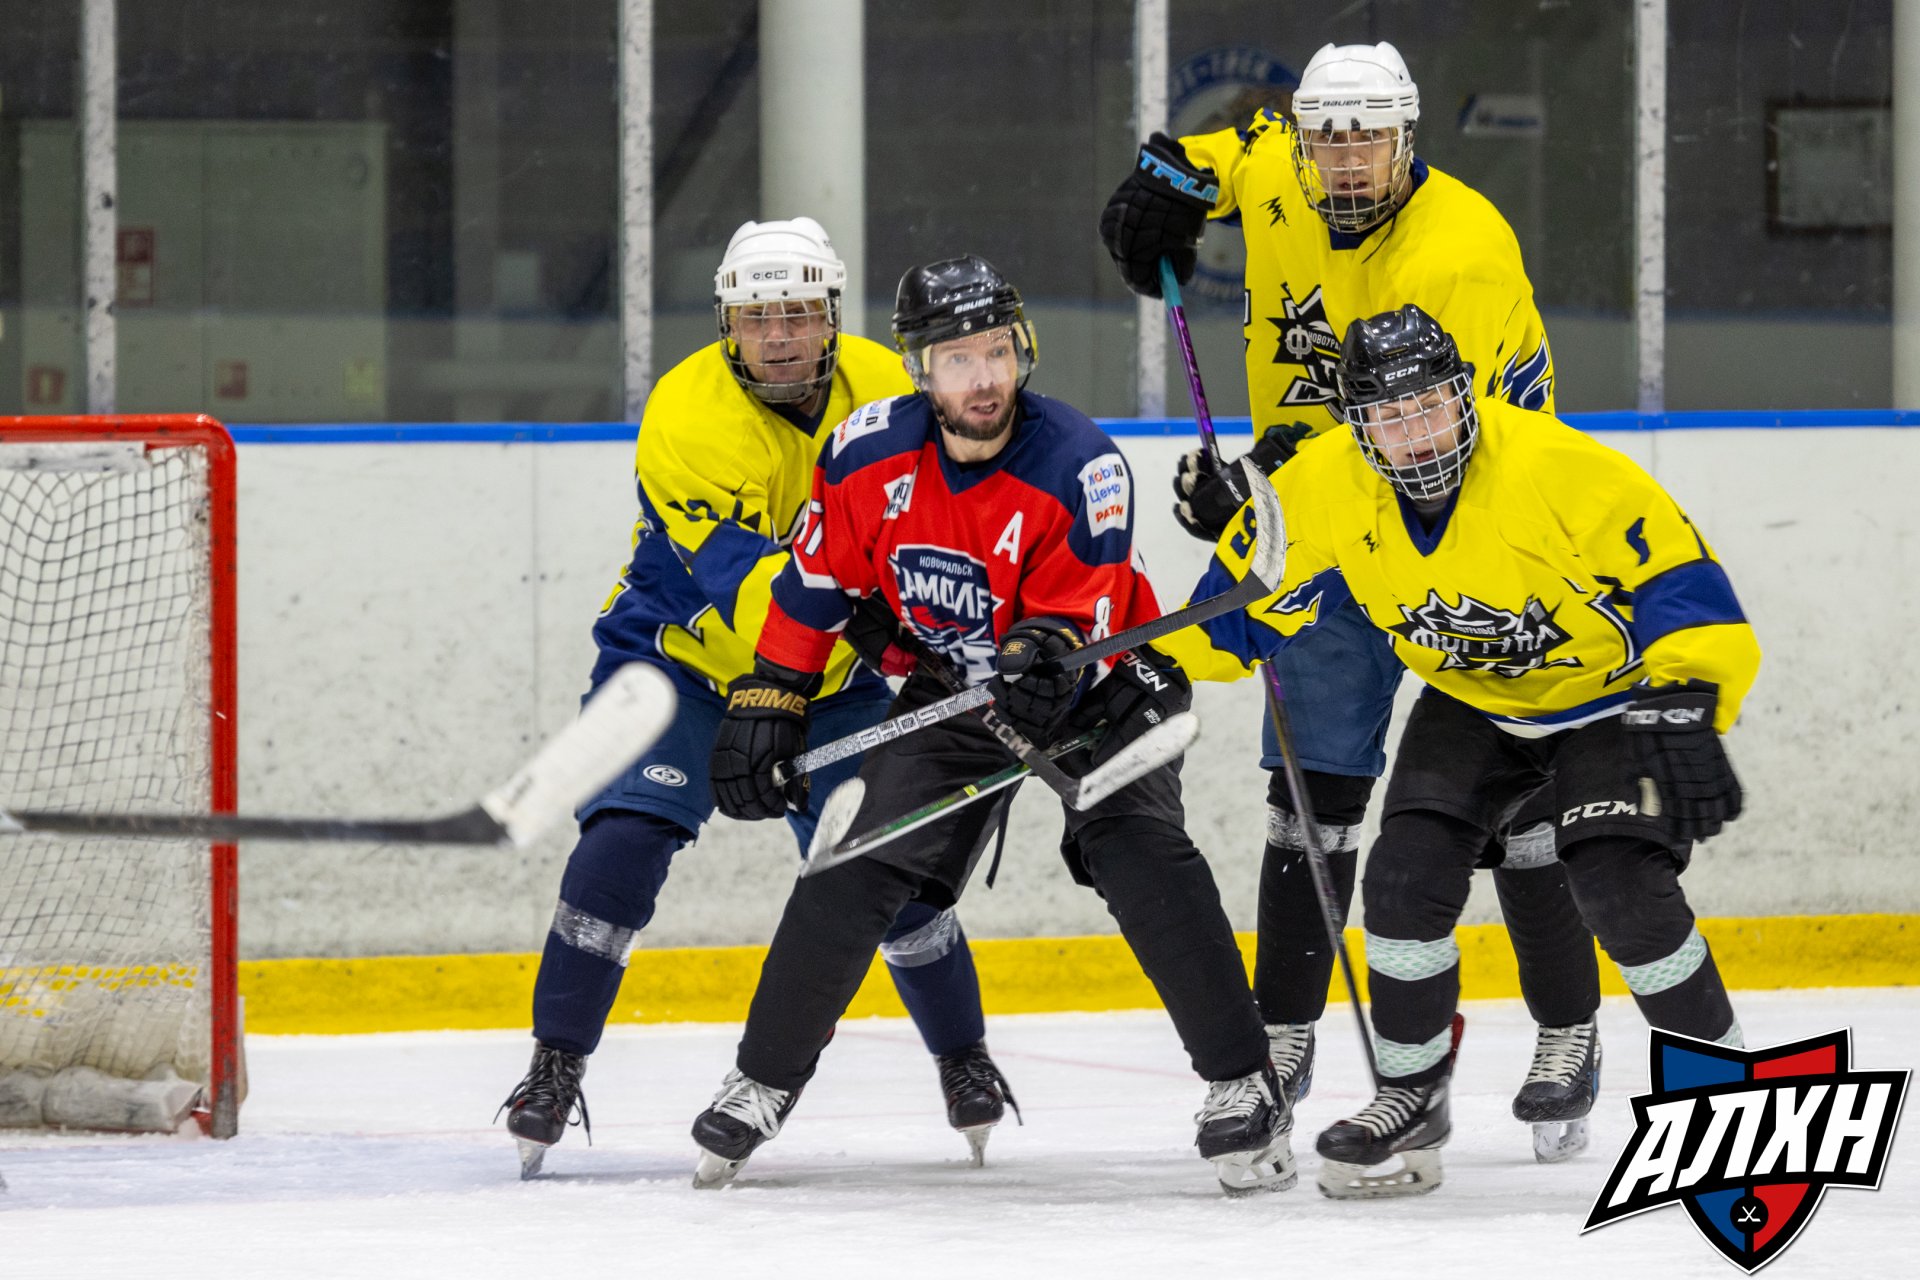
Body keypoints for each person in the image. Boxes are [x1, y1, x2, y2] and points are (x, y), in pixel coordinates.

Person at [693, 255, 1291, 1196]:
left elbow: (1077, 613)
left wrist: (1043, 653)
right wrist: (774, 692)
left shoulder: (1081, 463)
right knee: (852, 858)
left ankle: (1243, 1081)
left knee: (1134, 848)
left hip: (1102, 691)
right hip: (956, 693)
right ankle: (760, 1081)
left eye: (998, 352)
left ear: (1023, 351)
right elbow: (818, 583)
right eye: (958, 358)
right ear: (918, 370)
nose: (984, 378)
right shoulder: (863, 455)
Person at [1099, 39, 1601, 1156]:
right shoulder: (1285, 162)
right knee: (1308, 794)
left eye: (1371, 137)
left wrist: (1257, 488)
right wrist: (1161, 187)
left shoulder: (1463, 253)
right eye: (1329, 139)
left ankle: (1568, 1026)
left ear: (1408, 136)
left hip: (1474, 526)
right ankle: (1280, 1040)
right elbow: (1206, 158)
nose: (1350, 159)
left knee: (1512, 804)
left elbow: (1429, 441)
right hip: (1326, 514)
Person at [1164, 304, 1757, 1197]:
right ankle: (1413, 1094)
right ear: (1356, 426)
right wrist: (1148, 660)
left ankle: (1730, 1096)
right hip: (1475, 699)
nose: (1417, 433)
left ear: (1464, 395)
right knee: (1402, 882)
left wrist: (1691, 692)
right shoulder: (1324, 484)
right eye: (1390, 417)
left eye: (1430, 406)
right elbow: (1236, 607)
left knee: (1619, 885)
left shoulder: (1554, 468)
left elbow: (1679, 576)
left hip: (1606, 698)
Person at [497, 219, 1006, 1177]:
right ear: (727, 322)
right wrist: (893, 636)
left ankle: (963, 1057)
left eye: (799, 314)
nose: (778, 336)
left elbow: (968, 512)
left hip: (839, 682)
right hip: (682, 668)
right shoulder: (685, 412)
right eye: (757, 317)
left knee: (886, 868)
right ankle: (554, 1064)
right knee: (621, 847)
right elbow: (757, 589)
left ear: (832, 316)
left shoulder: (894, 387)